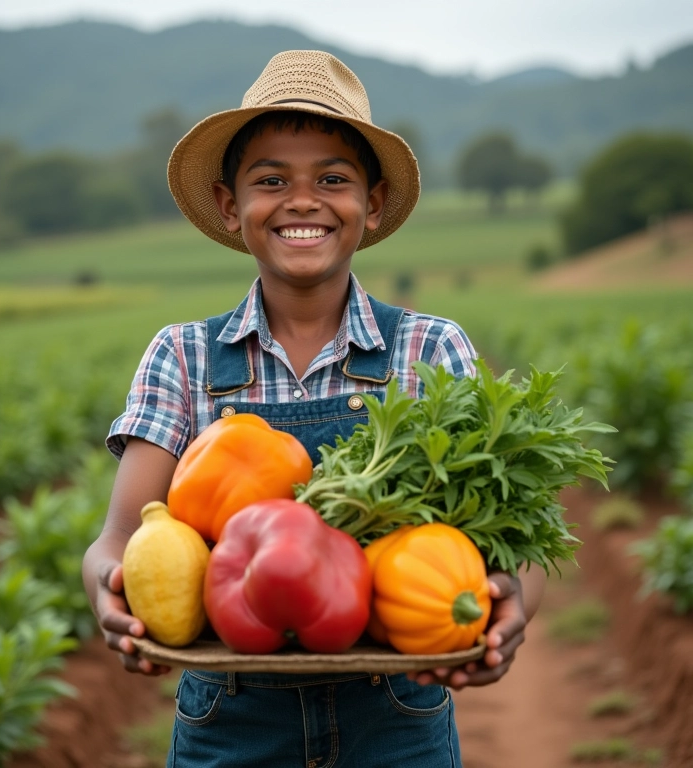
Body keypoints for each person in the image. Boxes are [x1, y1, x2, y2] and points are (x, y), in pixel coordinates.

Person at [83, 49, 546, 767]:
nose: (303, 200)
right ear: (232, 206)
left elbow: (516, 534)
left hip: (394, 715)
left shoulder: (430, 348)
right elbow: (119, 538)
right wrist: (108, 598)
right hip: (229, 719)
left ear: (375, 202)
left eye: (333, 179)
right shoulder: (183, 356)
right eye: (272, 181)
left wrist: (514, 602)